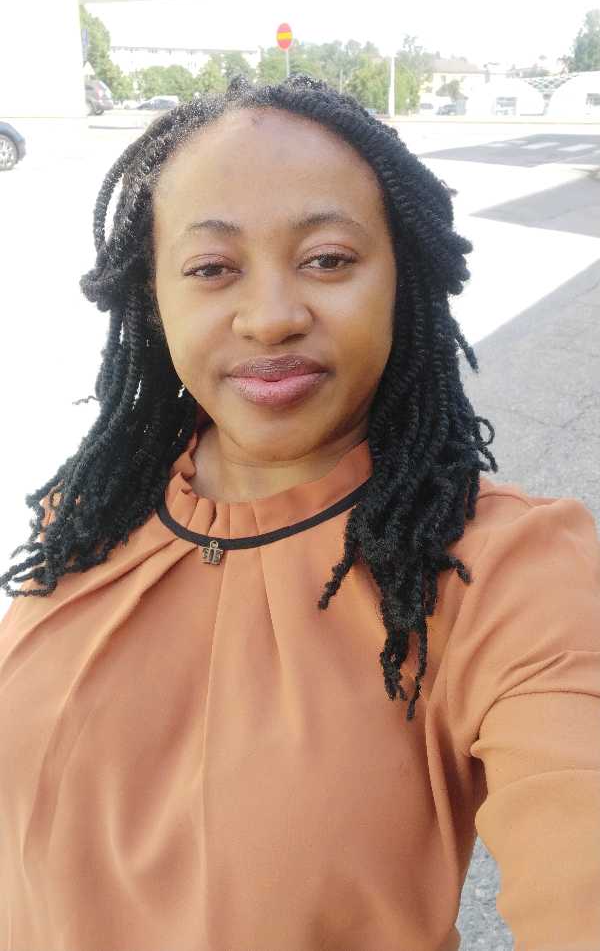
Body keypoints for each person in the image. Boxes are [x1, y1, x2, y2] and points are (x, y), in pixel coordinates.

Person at [0, 74, 598, 951]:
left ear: (402, 280)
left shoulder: (507, 572)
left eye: (327, 259)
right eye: (212, 268)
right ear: (154, 299)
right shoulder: (91, 511)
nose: (271, 318)